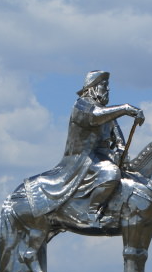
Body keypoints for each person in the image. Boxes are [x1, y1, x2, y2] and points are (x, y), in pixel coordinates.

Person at [24, 70, 145, 227]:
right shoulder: (82, 106)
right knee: (111, 172)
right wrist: (126, 108)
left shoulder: (109, 115)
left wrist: (121, 151)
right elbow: (95, 116)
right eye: (103, 86)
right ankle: (92, 213)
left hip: (103, 157)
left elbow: (119, 140)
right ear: (92, 88)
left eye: (108, 86)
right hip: (83, 158)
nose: (107, 90)